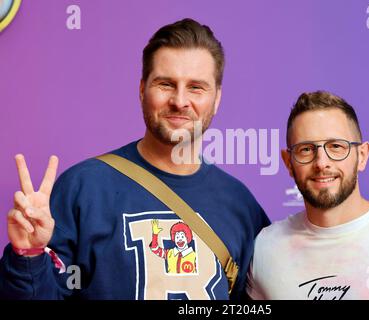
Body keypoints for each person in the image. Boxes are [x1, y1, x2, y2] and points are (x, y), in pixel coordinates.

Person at [0, 18, 270, 300]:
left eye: (196, 87)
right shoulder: (83, 188)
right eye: (165, 84)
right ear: (142, 89)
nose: (179, 100)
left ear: (216, 99)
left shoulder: (241, 206)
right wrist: (28, 257)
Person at [247, 90, 369, 300]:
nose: (321, 163)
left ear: (361, 156)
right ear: (289, 162)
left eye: (336, 147)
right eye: (306, 149)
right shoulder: (265, 248)